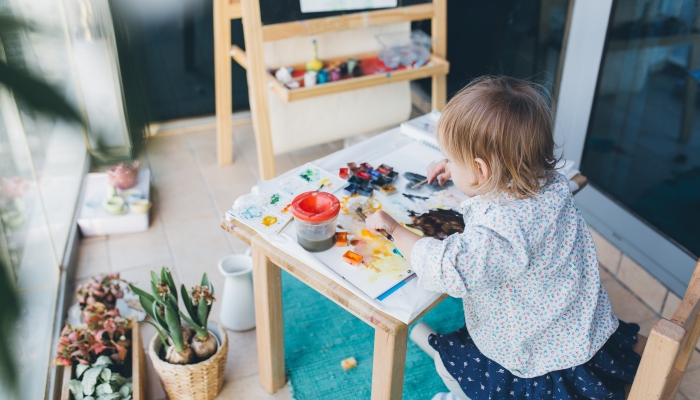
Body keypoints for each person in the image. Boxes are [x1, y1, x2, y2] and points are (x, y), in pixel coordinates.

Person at [364, 76, 641, 399]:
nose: (448, 165)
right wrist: (457, 168)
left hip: (537, 358)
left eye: (453, 159)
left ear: (482, 171)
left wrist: (395, 230)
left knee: (449, 368)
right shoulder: (550, 183)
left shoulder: (501, 232)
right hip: (577, 331)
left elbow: (445, 269)